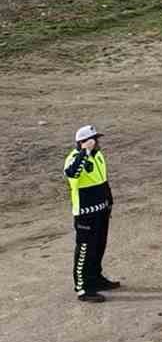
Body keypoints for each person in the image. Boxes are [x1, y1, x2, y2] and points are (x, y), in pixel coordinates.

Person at [63, 125, 118, 302]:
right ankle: (82, 289)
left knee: (99, 246)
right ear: (83, 142)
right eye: (93, 139)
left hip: (101, 210)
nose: (97, 142)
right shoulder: (74, 158)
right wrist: (84, 152)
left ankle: (95, 279)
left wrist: (109, 201)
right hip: (85, 214)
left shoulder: (98, 155)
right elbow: (72, 173)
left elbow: (103, 180)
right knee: (85, 250)